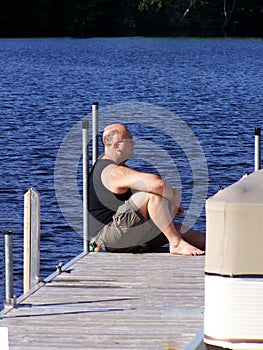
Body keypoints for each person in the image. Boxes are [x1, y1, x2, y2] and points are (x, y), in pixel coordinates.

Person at [89, 123, 205, 255]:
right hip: (108, 238)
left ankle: (221, 244)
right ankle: (176, 244)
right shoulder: (112, 172)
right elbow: (158, 184)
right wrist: (174, 199)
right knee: (151, 195)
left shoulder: (114, 166)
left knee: (176, 229)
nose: (134, 144)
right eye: (130, 140)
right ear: (117, 146)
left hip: (126, 234)